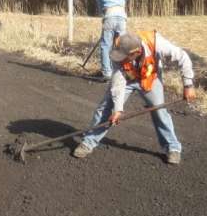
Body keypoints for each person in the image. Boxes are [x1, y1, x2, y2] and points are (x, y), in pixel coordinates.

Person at [73, 30, 196, 164]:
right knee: (105, 108)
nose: (119, 58)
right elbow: (118, 83)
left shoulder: (156, 43)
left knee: (159, 110)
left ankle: (172, 147)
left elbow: (183, 57)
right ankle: (88, 142)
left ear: (136, 52)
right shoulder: (118, 51)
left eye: (124, 56)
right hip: (126, 80)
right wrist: (118, 110)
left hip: (149, 78)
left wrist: (188, 85)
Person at [89, 0, 140, 80]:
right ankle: (126, 71)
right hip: (122, 17)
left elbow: (101, 10)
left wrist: (105, 20)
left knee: (105, 45)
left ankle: (107, 73)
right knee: (123, 45)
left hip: (109, 17)